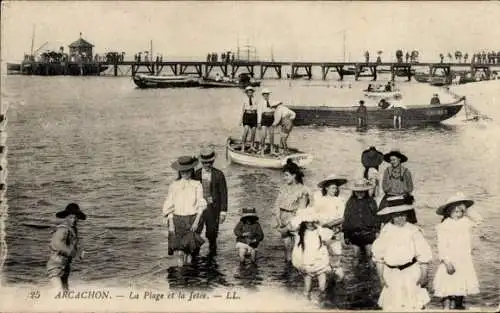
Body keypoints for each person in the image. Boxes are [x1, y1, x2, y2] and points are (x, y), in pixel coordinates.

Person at [372, 198, 433, 311]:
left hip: (411, 272)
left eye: (403, 215)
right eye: (396, 215)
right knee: (393, 305)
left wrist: (423, 275)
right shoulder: (386, 231)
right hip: (391, 273)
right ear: (391, 216)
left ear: (407, 215)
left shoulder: (413, 230)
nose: (400, 218)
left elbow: (423, 255)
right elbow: (379, 257)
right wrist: (381, 277)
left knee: (413, 304)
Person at [433, 193, 483, 310]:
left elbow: (479, 220)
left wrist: (467, 209)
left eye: (460, 211)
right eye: (455, 211)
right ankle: (446, 306)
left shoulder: (465, 222)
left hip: (463, 259)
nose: (458, 214)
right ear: (449, 212)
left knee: (461, 282)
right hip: (450, 259)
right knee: (447, 283)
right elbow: (441, 245)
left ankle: (459, 305)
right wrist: (446, 261)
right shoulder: (444, 225)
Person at [162, 156, 206, 266]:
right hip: (177, 220)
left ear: (191, 170)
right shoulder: (174, 185)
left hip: (192, 219)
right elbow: (170, 205)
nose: (185, 173)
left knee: (190, 252)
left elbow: (201, 205)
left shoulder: (197, 185)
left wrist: (196, 222)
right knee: (180, 252)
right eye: (182, 171)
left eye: (187, 171)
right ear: (179, 171)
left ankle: (189, 278)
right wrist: (171, 223)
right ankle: (180, 277)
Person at [289, 209, 342, 300]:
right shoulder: (300, 234)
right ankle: (307, 304)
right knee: (307, 289)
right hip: (307, 265)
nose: (310, 224)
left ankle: (321, 304)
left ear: (315, 222)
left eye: (312, 222)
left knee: (322, 288)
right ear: (304, 223)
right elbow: (296, 252)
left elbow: (332, 235)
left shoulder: (320, 231)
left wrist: (336, 232)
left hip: (320, 264)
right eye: (307, 222)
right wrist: (298, 264)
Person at [273, 159, 311, 263]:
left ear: (294, 175)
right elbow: (277, 203)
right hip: (282, 219)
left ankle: (297, 270)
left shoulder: (302, 190)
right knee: (286, 249)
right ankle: (288, 269)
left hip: (294, 221)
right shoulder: (283, 188)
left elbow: (302, 211)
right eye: (284, 176)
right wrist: (277, 218)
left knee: (297, 249)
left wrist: (291, 224)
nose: (284, 178)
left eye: (286, 175)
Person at [194, 148, 228, 257]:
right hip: (198, 208)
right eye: (204, 162)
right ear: (201, 162)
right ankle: (195, 254)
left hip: (213, 209)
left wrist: (223, 211)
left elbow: (223, 194)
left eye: (209, 162)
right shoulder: (196, 174)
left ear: (213, 162)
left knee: (212, 233)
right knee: (196, 231)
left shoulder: (219, 174)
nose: (207, 164)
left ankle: (212, 255)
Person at [47, 203, 86, 292]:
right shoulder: (63, 229)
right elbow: (56, 244)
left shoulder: (73, 230)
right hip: (55, 266)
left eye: (76, 218)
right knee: (58, 291)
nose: (74, 220)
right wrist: (71, 252)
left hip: (65, 267)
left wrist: (79, 252)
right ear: (66, 217)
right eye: (71, 217)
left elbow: (73, 247)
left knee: (65, 292)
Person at [342, 178, 379, 262]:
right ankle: (356, 273)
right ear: (354, 191)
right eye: (357, 191)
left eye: (362, 191)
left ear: (365, 191)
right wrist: (346, 235)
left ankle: (370, 273)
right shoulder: (351, 202)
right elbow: (347, 218)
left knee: (370, 255)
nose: (360, 193)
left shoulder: (371, 201)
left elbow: (376, 217)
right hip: (355, 233)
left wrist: (376, 230)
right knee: (355, 256)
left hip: (368, 233)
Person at [379, 150, 416, 224]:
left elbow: (410, 187)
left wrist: (403, 191)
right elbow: (384, 186)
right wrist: (390, 187)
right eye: (391, 160)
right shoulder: (387, 171)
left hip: (402, 198)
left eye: (394, 159)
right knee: (384, 219)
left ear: (399, 159)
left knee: (407, 221)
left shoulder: (406, 171)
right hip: (389, 198)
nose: (392, 162)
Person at [257, 88, 276, 155]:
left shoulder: (272, 101)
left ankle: (272, 150)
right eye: (265, 94)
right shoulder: (260, 102)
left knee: (271, 135)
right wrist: (259, 122)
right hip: (264, 118)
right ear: (263, 95)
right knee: (263, 135)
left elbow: (274, 110)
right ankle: (262, 150)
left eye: (267, 94)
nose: (266, 96)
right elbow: (259, 113)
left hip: (271, 118)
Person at [240, 86, 258, 152]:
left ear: (253, 92)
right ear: (246, 93)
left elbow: (257, 109)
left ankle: (252, 146)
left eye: (251, 92)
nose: (250, 93)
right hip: (247, 115)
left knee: (253, 132)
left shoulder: (255, 99)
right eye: (248, 92)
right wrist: (240, 120)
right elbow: (242, 110)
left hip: (254, 115)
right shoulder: (244, 99)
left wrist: (258, 120)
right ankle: (243, 146)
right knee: (246, 131)